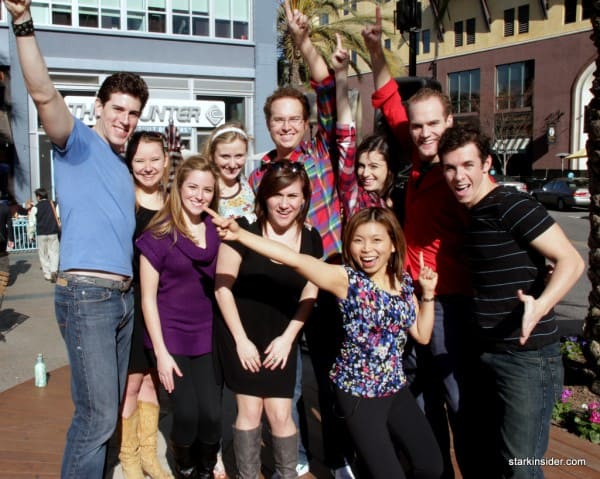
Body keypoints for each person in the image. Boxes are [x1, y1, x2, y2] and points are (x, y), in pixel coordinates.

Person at [4, 2, 149, 477]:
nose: (125, 120)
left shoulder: (122, 167)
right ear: (99, 108)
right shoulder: (77, 142)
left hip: (121, 301)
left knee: (109, 417)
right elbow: (43, 94)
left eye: (133, 113)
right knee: (97, 417)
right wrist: (23, 22)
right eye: (118, 110)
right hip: (88, 295)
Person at [208, 205, 444, 479]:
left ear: (393, 244)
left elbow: (422, 334)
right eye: (358, 240)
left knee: (431, 464)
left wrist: (427, 294)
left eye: (376, 240)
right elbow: (294, 259)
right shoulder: (347, 280)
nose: (366, 249)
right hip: (359, 396)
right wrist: (241, 235)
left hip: (395, 388)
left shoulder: (402, 282)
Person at [438, 125, 584, 479]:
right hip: (489, 354)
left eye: (468, 165)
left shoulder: (510, 203)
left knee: (522, 466)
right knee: (494, 458)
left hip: (527, 358)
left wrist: (542, 304)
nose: (459, 176)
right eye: (450, 168)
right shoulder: (475, 214)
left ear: (487, 162)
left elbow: (572, 261)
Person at [363, 7, 472, 477]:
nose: (425, 133)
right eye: (418, 125)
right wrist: (374, 50)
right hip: (415, 296)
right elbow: (388, 97)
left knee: (457, 398)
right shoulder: (415, 154)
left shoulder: (463, 171)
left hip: (451, 300)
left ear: (449, 121)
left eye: (433, 124)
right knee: (423, 393)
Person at [248, 3, 353, 477]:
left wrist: (304, 40)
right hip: (282, 288)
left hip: (328, 281)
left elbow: (327, 88)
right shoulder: (259, 174)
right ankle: (297, 452)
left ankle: (339, 456)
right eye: (278, 120)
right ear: (268, 123)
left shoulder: (319, 152)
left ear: (307, 123)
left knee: (333, 378)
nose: (287, 126)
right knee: (286, 381)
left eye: (295, 119)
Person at [214, 160, 321, 479]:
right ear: (264, 197)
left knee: (280, 413)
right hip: (241, 333)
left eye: (293, 196)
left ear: (304, 199)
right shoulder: (242, 230)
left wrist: (289, 339)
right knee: (249, 410)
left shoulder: (311, 238)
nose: (284, 203)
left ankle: (286, 475)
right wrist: (241, 342)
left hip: (282, 336)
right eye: (277, 195)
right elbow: (222, 289)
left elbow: (310, 294)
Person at [137, 155, 222, 479]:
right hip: (169, 336)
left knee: (212, 416)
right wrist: (160, 352)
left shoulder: (217, 230)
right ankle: (185, 466)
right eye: (193, 187)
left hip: (207, 334)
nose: (200, 195)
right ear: (178, 187)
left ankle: (205, 467)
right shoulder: (159, 233)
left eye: (207, 189)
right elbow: (147, 298)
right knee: (186, 413)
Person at [118, 131, 173, 479]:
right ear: (130, 164)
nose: (148, 167)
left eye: (155, 159)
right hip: (132, 304)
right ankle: (129, 457)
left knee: (153, 380)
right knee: (132, 382)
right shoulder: (125, 203)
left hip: (166, 306)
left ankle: (150, 454)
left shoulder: (174, 203)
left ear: (166, 160)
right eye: (140, 160)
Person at [331, 32, 395, 218]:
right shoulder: (356, 197)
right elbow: (345, 141)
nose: (365, 173)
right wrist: (341, 75)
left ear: (389, 169)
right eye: (361, 165)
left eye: (374, 166)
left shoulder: (403, 199)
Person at [202, 121, 256, 222]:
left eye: (239, 156)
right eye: (225, 156)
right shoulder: (206, 189)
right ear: (212, 156)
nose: (232, 165)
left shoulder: (248, 183)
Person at [32, 188, 60, 282]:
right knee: (54, 253)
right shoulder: (54, 204)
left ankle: (47, 274)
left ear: (38, 196)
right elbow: (59, 217)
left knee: (43, 255)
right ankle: (54, 271)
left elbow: (31, 223)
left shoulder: (35, 207)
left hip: (41, 234)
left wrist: (30, 235)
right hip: (53, 233)